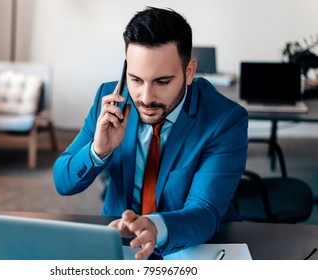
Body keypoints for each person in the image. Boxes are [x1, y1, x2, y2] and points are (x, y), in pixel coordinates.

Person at [53, 6, 248, 260]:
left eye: (162, 81)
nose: (145, 98)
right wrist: (97, 152)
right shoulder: (110, 98)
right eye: (136, 79)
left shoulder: (224, 120)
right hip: (120, 243)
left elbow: (205, 210)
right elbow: (62, 181)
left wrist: (157, 227)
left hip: (191, 245)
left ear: (189, 72)